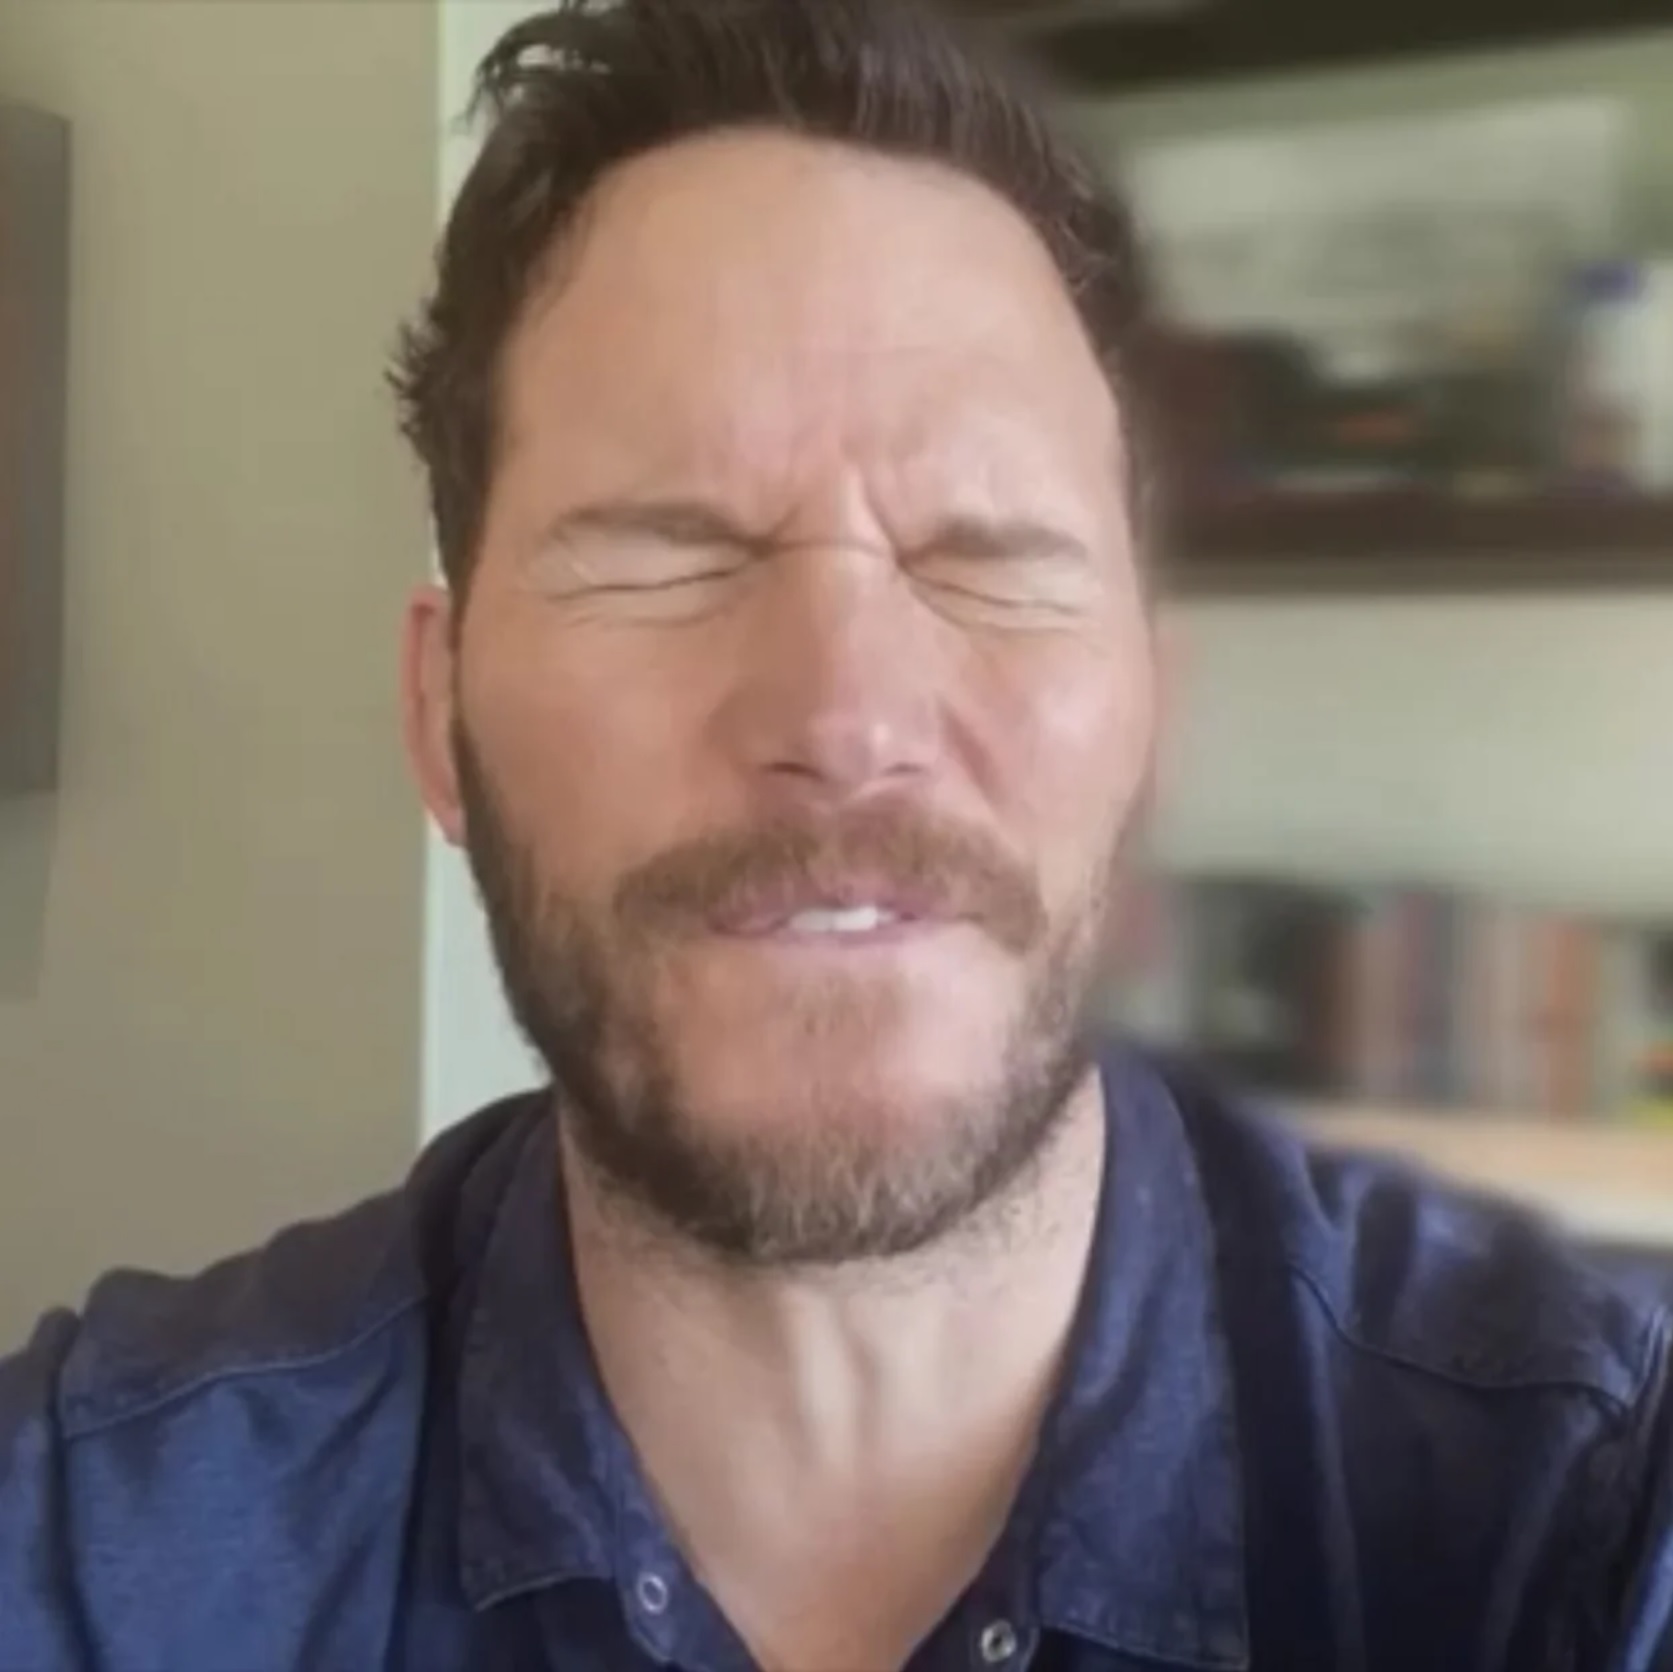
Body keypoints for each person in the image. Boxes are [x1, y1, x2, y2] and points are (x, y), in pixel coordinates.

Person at [3, 1, 1672, 1666]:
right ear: (441, 713)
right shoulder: (83, 1544)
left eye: (985, 557)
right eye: (670, 549)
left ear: (1152, 722)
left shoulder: (1591, 1516)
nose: (843, 716)